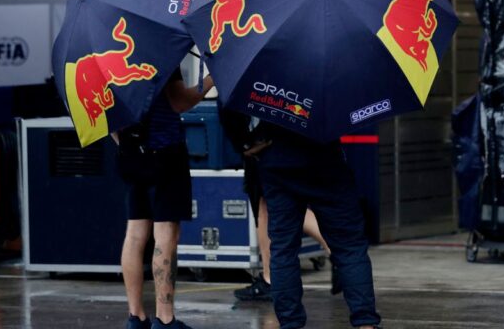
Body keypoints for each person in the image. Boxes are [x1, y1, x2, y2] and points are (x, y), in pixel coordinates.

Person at [251, 121, 381, 329]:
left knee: (283, 249)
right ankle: (366, 324)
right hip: (326, 158)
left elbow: (230, 111)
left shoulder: (267, 87)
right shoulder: (338, 86)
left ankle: (290, 323)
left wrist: (245, 143)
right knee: (350, 247)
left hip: (278, 159)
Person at [118, 69, 214, 329]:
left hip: (130, 149)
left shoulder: (107, 52)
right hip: (166, 150)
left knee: (135, 234)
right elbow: (179, 100)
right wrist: (212, 76)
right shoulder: (159, 46)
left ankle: (135, 317)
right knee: (166, 234)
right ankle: (165, 318)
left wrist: (125, 143)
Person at [218, 108, 340, 301]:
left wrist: (248, 142)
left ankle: (270, 277)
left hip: (264, 147)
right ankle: (338, 251)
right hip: (288, 143)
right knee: (284, 207)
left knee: (265, 209)